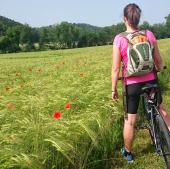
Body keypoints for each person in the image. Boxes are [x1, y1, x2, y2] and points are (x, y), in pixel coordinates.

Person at [111, 3, 170, 163]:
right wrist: (161, 68)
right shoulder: (149, 34)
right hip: (151, 80)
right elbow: (158, 60)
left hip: (132, 85)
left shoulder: (120, 39)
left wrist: (113, 89)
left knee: (130, 121)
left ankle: (128, 153)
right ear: (138, 18)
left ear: (125, 19)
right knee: (161, 109)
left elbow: (116, 69)